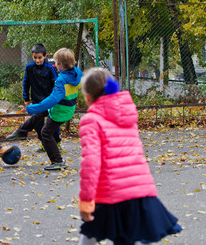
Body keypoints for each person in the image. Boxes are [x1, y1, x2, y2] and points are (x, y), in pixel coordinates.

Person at [77, 68, 182, 245]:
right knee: (134, 235)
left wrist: (86, 199)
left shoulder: (91, 120)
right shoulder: (127, 116)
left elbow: (91, 163)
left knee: (90, 230)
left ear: (88, 98)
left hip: (112, 192)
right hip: (140, 190)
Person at [26, 48, 83, 170]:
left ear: (60, 64)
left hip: (59, 111)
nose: (54, 64)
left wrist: (33, 108)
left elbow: (52, 99)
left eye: (56, 62)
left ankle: (57, 161)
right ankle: (21, 131)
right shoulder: (77, 73)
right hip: (68, 108)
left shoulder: (61, 80)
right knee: (43, 123)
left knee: (46, 133)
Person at [6, 44, 61, 152]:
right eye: (35, 58)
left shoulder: (50, 68)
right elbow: (26, 83)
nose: (37, 60)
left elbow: (56, 83)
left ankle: (57, 142)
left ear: (45, 56)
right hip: (36, 99)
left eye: (39, 57)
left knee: (52, 122)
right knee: (37, 124)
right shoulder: (30, 67)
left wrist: (55, 98)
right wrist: (26, 98)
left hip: (49, 100)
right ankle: (45, 143)